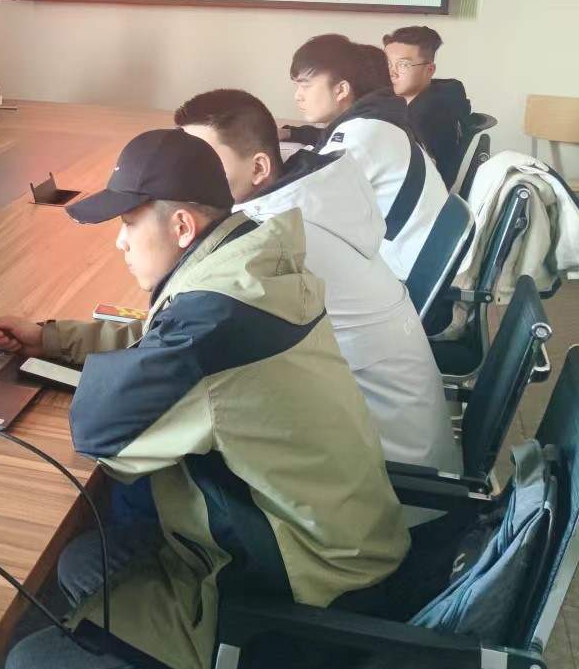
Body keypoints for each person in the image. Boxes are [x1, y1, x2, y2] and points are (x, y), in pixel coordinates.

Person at [0, 130, 408, 669]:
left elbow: (103, 431)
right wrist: (54, 339)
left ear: (181, 226)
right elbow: (166, 344)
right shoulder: (248, 267)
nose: (120, 242)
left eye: (129, 224)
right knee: (80, 563)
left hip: (297, 600)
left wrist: (96, 373)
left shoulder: (217, 325)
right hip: (323, 544)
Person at [175, 88, 459, 473]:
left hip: (387, 476)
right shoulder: (314, 198)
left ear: (258, 169)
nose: (183, 181)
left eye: (204, 165)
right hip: (407, 440)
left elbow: (192, 355)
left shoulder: (275, 242)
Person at [288, 33, 449, 281]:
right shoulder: (374, 121)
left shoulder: (363, 133)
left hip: (408, 272)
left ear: (341, 89)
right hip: (413, 254)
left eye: (305, 85)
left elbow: (305, 207)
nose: (297, 95)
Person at [385, 24, 474, 182]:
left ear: (429, 70)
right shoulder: (410, 104)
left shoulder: (429, 115)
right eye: (387, 63)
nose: (392, 72)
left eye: (403, 65)